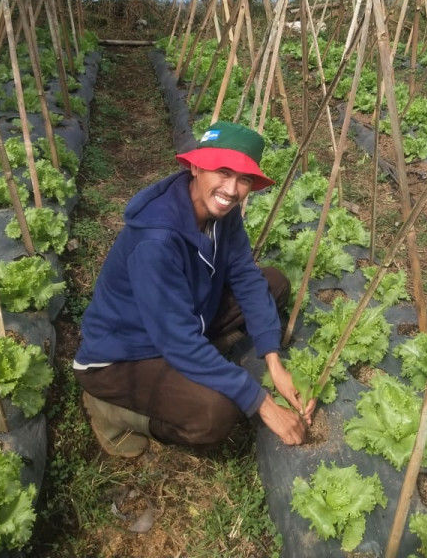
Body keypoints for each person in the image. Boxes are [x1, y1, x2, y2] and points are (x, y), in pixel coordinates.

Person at [74, 121, 315, 458]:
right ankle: (109, 410)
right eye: (223, 172)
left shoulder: (222, 211)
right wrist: (262, 402)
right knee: (215, 414)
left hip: (181, 321)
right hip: (123, 357)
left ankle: (201, 361)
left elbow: (245, 276)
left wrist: (275, 364)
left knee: (272, 283)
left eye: (244, 179)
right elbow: (177, 340)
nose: (232, 190)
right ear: (196, 167)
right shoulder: (156, 241)